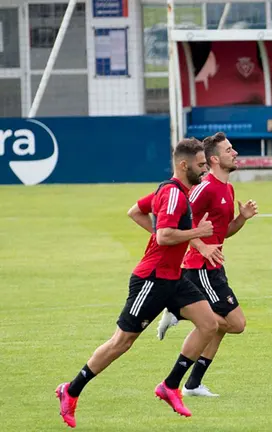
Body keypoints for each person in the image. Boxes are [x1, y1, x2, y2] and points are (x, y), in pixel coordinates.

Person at [56, 139, 221, 427]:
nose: (205, 170)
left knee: (209, 324)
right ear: (184, 165)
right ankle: (70, 390)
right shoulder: (173, 195)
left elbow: (136, 211)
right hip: (153, 279)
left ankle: (170, 386)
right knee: (122, 342)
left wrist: (171, 235)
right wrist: (197, 232)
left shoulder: (176, 191)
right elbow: (164, 236)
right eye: (201, 165)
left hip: (174, 277)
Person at [149, 133, 258, 397]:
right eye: (229, 150)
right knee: (236, 323)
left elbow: (222, 231)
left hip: (214, 265)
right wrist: (202, 246)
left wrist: (241, 219)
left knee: (216, 328)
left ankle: (192, 384)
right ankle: (178, 312)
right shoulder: (204, 188)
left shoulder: (227, 189)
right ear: (214, 159)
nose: (235, 153)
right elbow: (179, 226)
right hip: (200, 267)